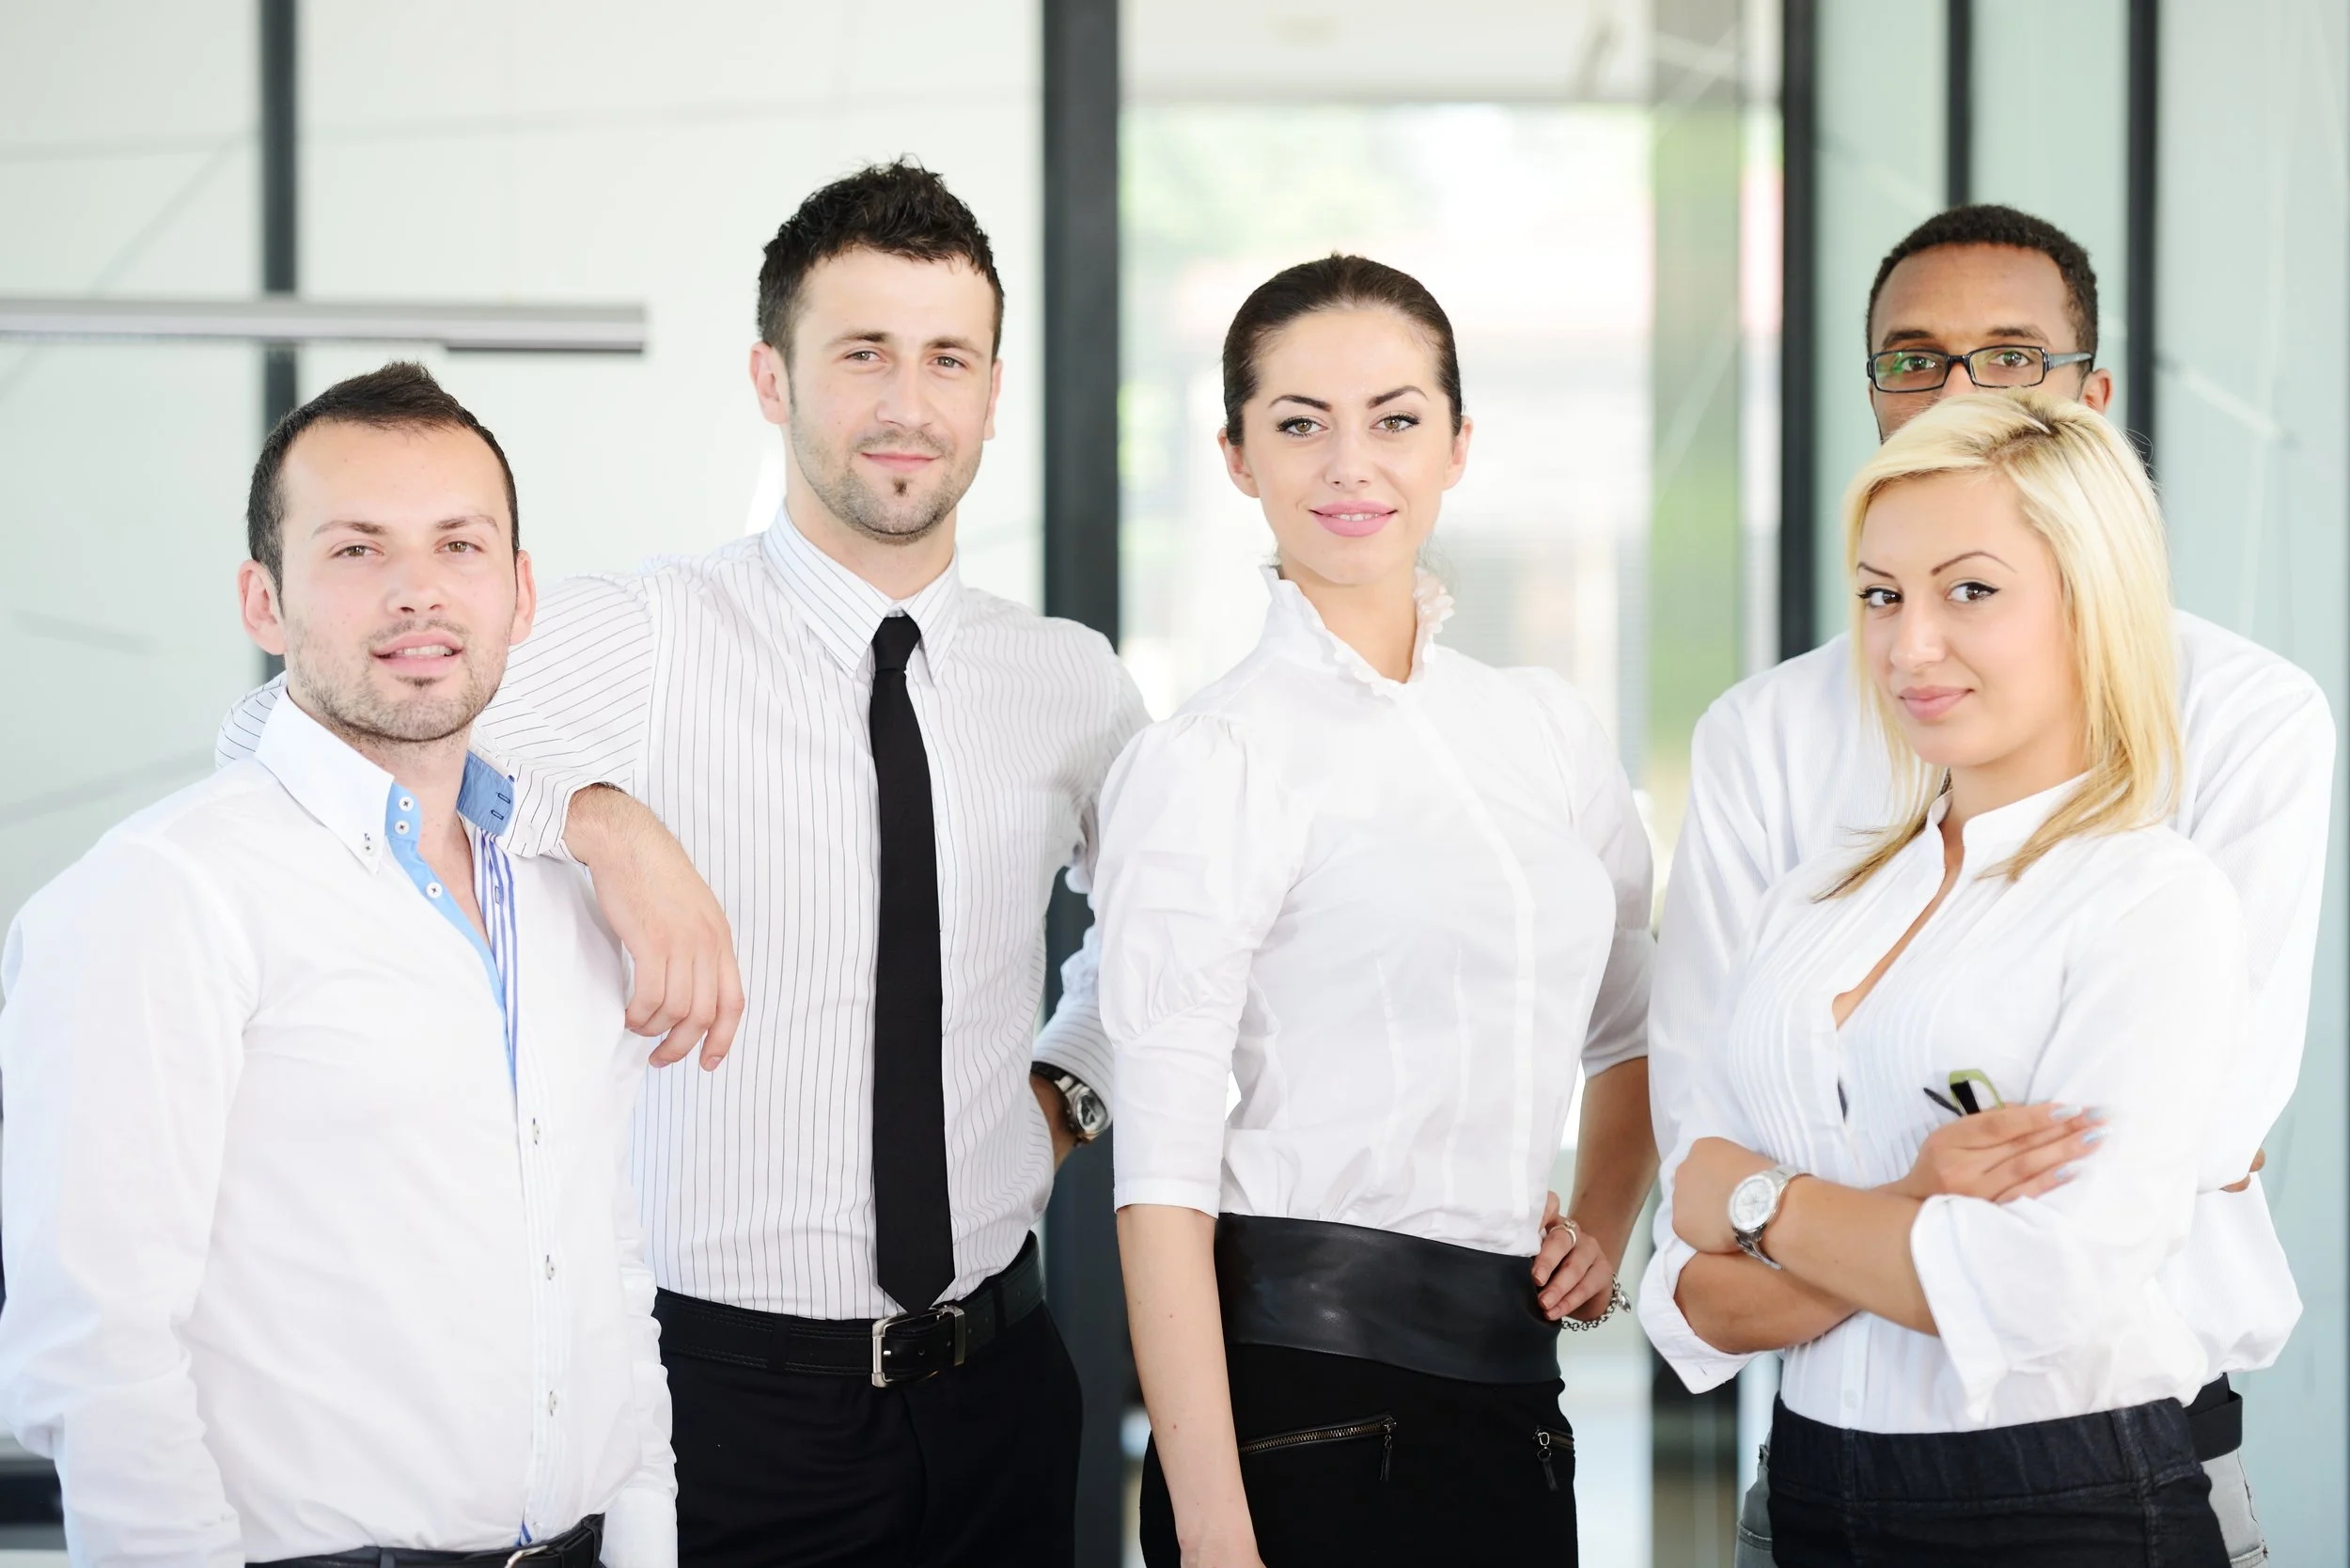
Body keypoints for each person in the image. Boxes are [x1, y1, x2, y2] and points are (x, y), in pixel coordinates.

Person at [218, 162, 1145, 1567]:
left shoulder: (1070, 683)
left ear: (994, 389)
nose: (908, 402)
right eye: (862, 355)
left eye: (947, 357)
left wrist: (1072, 1084)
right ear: (771, 380)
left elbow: (1170, 940)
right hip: (718, 1408)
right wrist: (598, 815)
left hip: (1002, 1396)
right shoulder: (643, 641)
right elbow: (271, 737)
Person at [1648, 204, 2330, 1568]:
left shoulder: (2214, 777)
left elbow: (2171, 1166)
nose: (1958, 392)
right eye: (1916, 360)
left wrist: (1778, 1201)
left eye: (2011, 358)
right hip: (1825, 1466)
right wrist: (1904, 1189)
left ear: (2092, 401)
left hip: (2097, 1454)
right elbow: (1695, 1193)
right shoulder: (1811, 838)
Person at [0, 364, 673, 1564]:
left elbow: (608, 1276)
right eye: (357, 551)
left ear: (520, 593)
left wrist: (645, 1544)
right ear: (263, 602)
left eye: (460, 545)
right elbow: (98, 1358)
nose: (419, 591)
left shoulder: (571, 897)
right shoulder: (162, 896)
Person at [1102, 255, 1656, 1568]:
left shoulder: (1541, 730)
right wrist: (1219, 1534)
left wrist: (1609, 1218)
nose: (1353, 464)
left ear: (1459, 445)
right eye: (1300, 424)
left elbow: (1636, 1021)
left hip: (1517, 1403)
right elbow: (1162, 1184)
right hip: (1303, 1412)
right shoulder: (1213, 757)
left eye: (1397, 419)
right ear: (1239, 457)